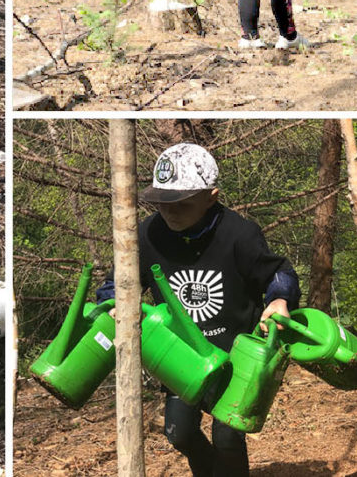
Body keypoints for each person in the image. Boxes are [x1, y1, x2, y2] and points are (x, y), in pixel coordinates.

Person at [96, 143, 300, 477]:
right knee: (179, 432)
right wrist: (113, 302)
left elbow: (280, 273)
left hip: (235, 356)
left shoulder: (239, 234)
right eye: (161, 203)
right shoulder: (146, 235)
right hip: (180, 356)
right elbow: (115, 283)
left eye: (181, 204)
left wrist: (280, 299)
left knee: (227, 434)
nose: (169, 212)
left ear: (212, 196)